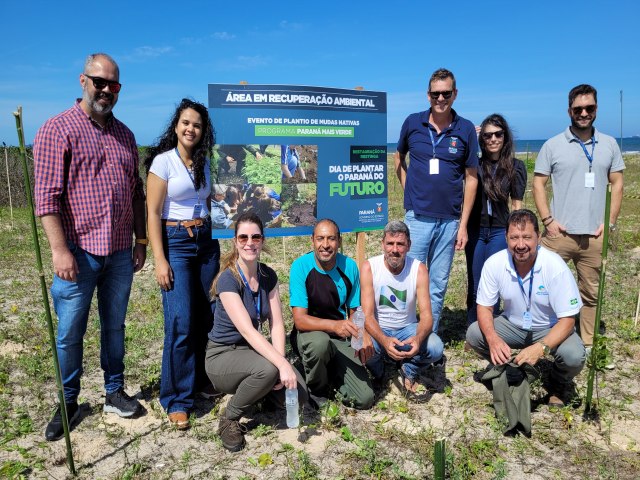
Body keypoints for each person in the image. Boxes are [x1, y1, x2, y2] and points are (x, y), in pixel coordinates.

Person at [34, 53, 146, 441]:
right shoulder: (56, 130)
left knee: (114, 326)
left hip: (118, 252)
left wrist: (141, 240)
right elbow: (46, 199)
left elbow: (136, 194)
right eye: (99, 82)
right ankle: (68, 400)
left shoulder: (126, 136)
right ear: (82, 80)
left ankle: (114, 391)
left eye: (113, 85)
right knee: (69, 332)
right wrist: (59, 251)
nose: (106, 90)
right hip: (78, 253)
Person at [145, 98, 221, 429]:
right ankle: (176, 398)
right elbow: (152, 213)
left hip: (206, 243)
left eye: (197, 125)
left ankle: (202, 380)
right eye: (186, 123)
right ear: (176, 126)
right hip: (175, 243)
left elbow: (211, 201)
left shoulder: (204, 163)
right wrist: (159, 259)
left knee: (206, 316)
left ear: (203, 132)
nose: (191, 129)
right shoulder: (163, 163)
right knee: (180, 321)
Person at [205, 212, 308, 452]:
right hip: (223, 356)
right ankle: (229, 417)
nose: (249, 243)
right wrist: (280, 367)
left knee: (299, 394)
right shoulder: (228, 279)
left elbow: (277, 324)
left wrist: (282, 364)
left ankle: (258, 395)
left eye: (255, 237)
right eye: (243, 237)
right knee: (270, 369)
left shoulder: (268, 275)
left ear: (262, 240)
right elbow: (247, 330)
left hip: (252, 352)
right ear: (234, 241)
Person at [533, 84, 625, 348]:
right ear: (569, 110)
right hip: (558, 235)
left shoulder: (609, 145)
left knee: (591, 294)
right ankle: (545, 339)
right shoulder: (552, 145)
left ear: (596, 109)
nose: (584, 113)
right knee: (544, 289)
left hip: (594, 236)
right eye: (578, 109)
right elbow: (538, 183)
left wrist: (610, 223)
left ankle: (587, 343)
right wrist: (548, 221)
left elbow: (617, 183)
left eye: (589, 108)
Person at [466, 210, 586, 407]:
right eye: (514, 238)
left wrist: (541, 348)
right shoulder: (495, 263)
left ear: (538, 237)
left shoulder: (555, 266)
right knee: (474, 334)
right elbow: (484, 307)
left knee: (574, 355)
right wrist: (494, 339)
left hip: (549, 328)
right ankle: (508, 367)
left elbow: (568, 320)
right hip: (512, 324)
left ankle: (558, 381)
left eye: (527, 237)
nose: (520, 245)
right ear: (506, 238)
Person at [395, 68, 479, 333]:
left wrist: (463, 225)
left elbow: (472, 177)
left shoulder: (465, 129)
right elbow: (399, 158)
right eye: (435, 93)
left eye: (446, 93)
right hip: (417, 218)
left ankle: (427, 337)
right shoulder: (412, 122)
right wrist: (409, 190)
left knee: (438, 283)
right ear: (427, 95)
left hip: (449, 221)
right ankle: (405, 333)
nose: (440, 98)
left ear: (455, 94)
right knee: (408, 279)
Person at [289, 219, 375, 409]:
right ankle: (316, 390)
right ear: (312, 240)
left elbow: (355, 311)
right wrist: (335, 325)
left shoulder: (350, 267)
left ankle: (329, 375)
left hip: (339, 337)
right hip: (309, 335)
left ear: (339, 241)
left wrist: (361, 335)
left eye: (331, 239)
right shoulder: (300, 267)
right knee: (320, 344)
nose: (325, 245)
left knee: (365, 398)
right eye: (320, 239)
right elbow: (300, 320)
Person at [360, 221, 444, 394]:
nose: (395, 250)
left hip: (407, 328)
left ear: (409, 245)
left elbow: (427, 316)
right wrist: (383, 340)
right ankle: (379, 371)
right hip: (379, 327)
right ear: (382, 244)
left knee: (436, 348)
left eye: (400, 244)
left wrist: (418, 339)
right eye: (390, 243)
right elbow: (367, 316)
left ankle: (409, 368)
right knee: (360, 346)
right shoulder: (370, 267)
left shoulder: (418, 269)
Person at [465, 114, 527, 325]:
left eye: (498, 134)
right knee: (475, 282)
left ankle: (491, 327)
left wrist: (517, 234)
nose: (492, 139)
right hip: (475, 230)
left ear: (505, 136)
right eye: (487, 135)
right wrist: (469, 139)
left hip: (500, 230)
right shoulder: (475, 165)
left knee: (493, 281)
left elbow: (517, 204)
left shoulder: (515, 167)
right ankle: (473, 329)